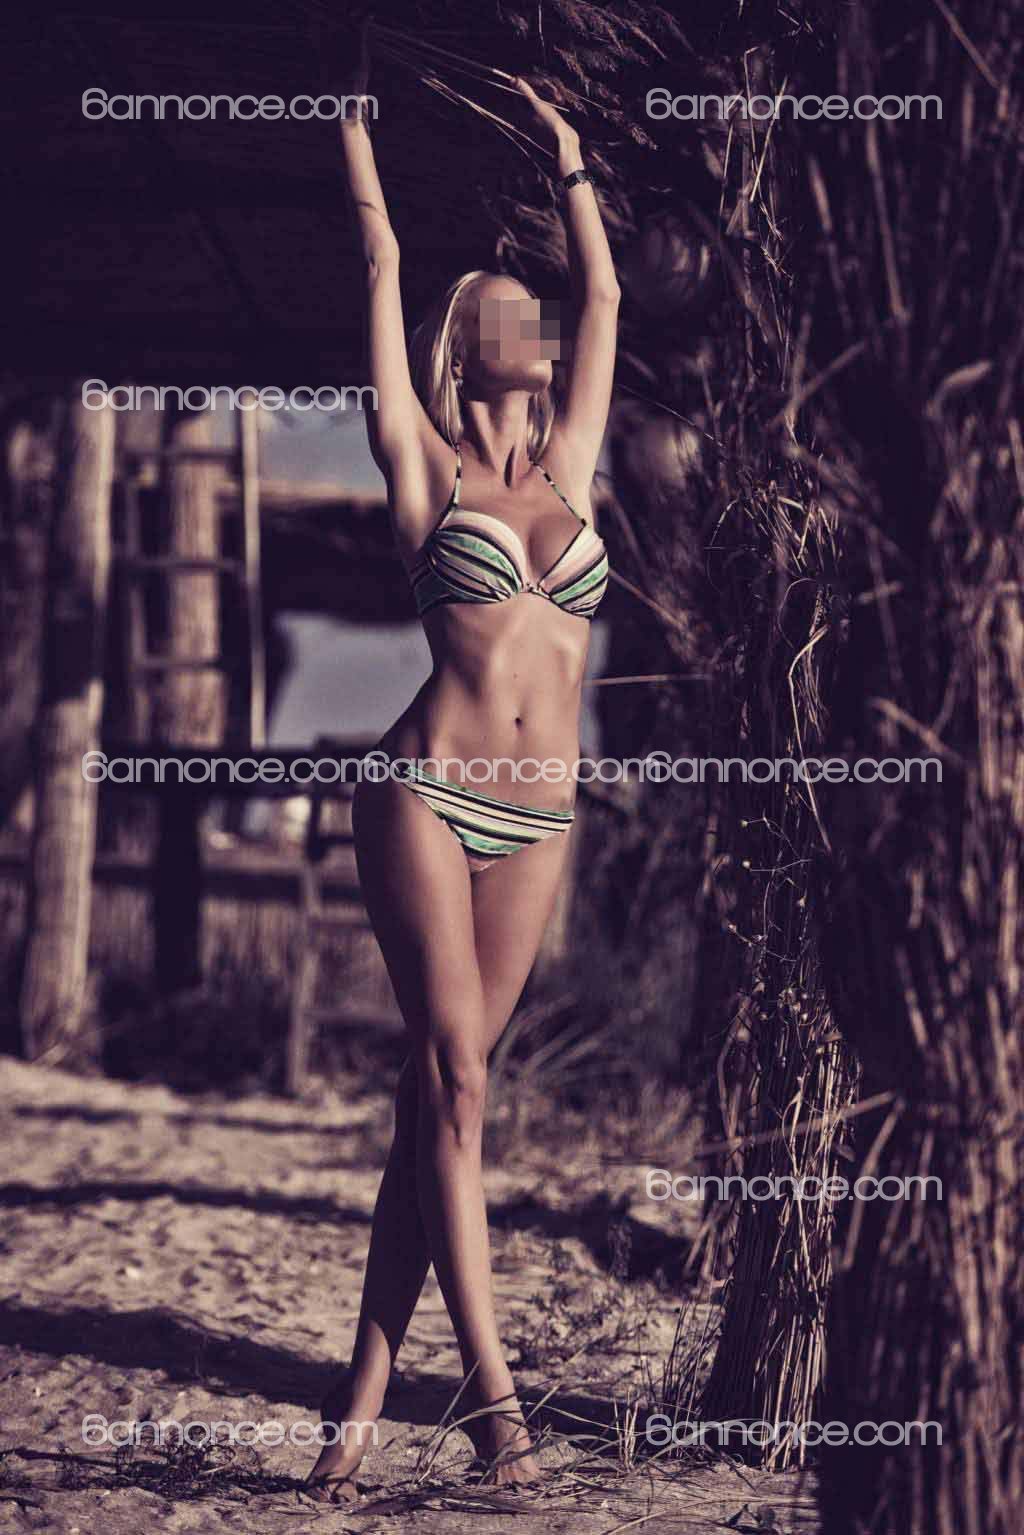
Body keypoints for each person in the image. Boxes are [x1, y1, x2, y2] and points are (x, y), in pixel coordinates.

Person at [305, 26, 618, 1502]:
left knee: (446, 1101)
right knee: (454, 1081)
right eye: (497, 305)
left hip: (540, 817)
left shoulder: (574, 463)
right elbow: (376, 262)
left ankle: (359, 1403)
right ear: (459, 338)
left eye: (528, 304)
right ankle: (496, 1406)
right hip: (426, 797)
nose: (527, 313)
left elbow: (604, 289)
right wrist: (352, 130)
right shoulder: (422, 462)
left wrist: (568, 159)